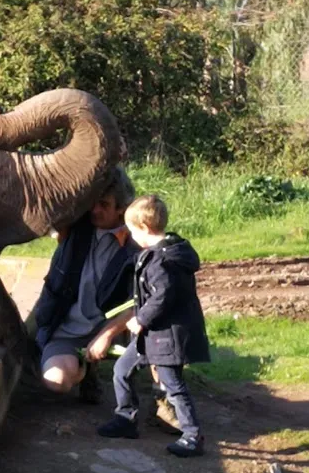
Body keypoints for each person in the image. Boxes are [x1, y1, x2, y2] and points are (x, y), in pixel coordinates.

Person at [96, 194, 210, 457]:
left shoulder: (162, 261)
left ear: (144, 229)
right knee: (122, 370)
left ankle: (192, 435)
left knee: (173, 383)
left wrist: (141, 319)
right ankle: (126, 418)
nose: (131, 236)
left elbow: (163, 296)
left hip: (166, 336)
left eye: (132, 230)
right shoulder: (159, 255)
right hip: (152, 336)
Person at [30, 168, 138, 402]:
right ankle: (84, 369)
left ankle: (165, 399)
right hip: (68, 331)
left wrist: (106, 336)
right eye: (92, 203)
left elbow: (142, 302)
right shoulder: (73, 227)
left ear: (121, 208)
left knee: (163, 325)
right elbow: (50, 205)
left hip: (115, 330)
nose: (95, 210)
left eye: (104, 204)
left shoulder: (136, 243)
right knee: (55, 380)